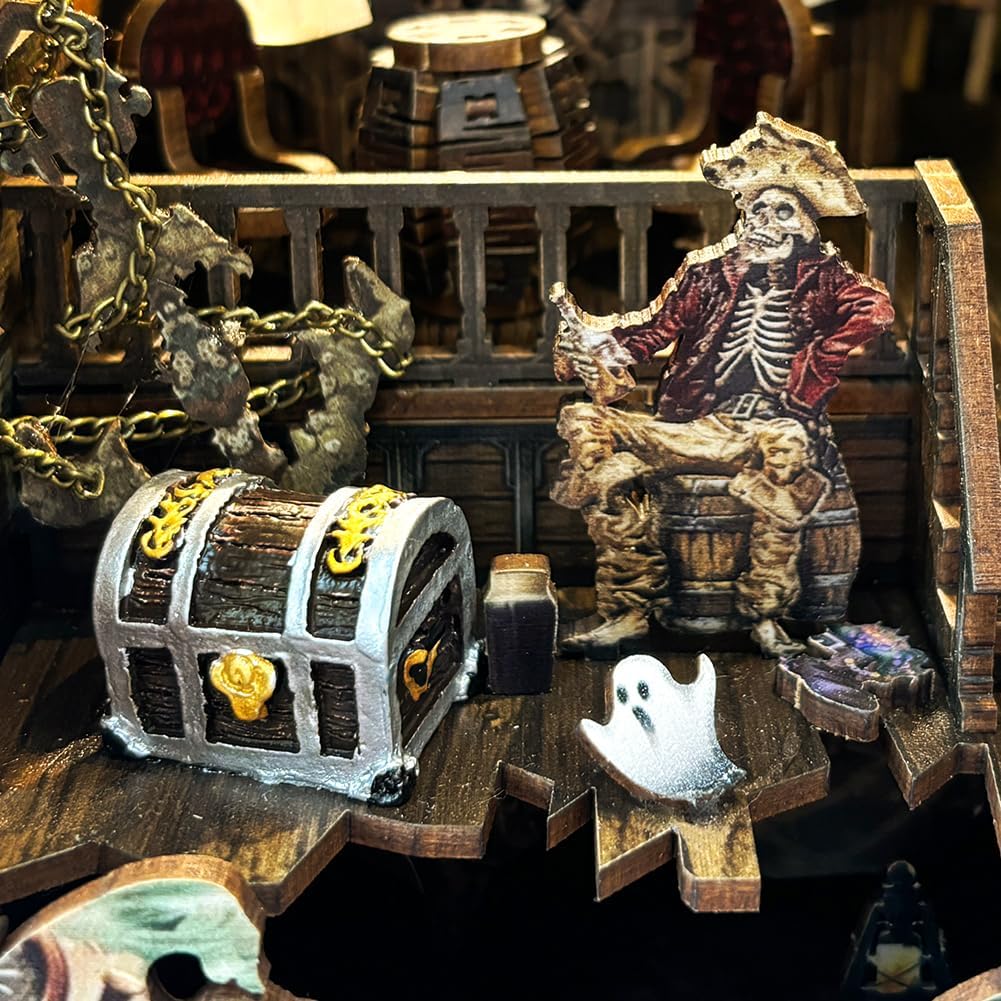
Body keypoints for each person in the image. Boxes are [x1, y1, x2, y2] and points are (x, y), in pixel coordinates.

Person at [552, 114, 895, 655]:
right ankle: (628, 608)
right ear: (742, 214)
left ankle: (766, 615)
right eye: (758, 210)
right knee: (586, 422)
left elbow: (875, 308)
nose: (768, 222)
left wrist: (820, 354)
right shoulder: (707, 272)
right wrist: (596, 343)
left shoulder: (822, 274)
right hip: (699, 426)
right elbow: (652, 331)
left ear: (806, 223)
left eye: (784, 211)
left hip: (776, 429)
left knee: (789, 453)